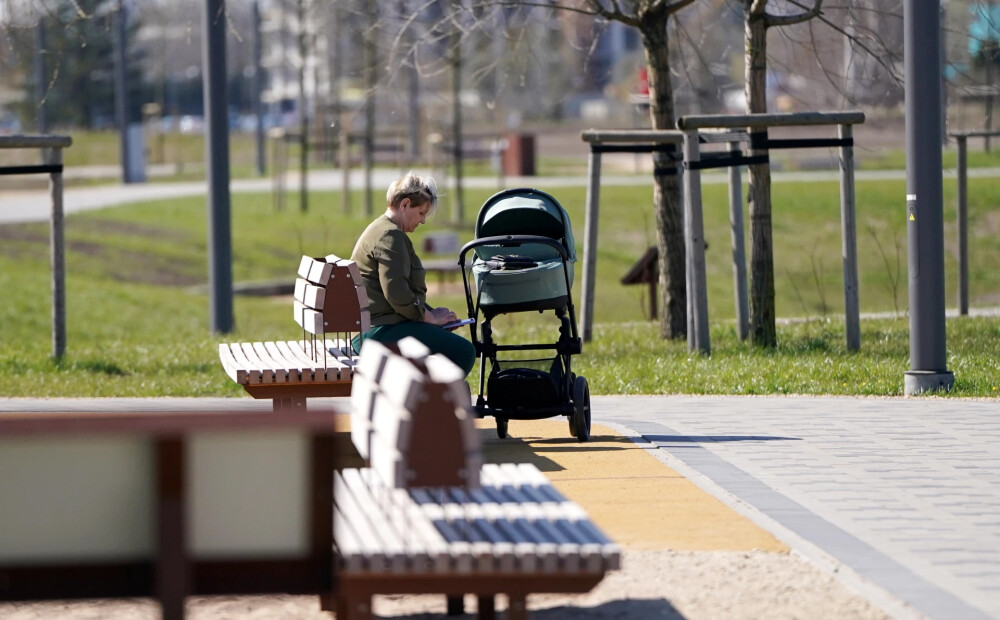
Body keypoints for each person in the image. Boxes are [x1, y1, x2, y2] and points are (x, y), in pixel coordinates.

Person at [350, 172, 476, 376]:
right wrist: (429, 318)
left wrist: (433, 316)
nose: (423, 221)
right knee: (464, 352)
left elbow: (399, 292)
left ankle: (426, 400)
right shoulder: (390, 235)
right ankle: (428, 403)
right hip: (379, 333)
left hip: (375, 328)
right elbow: (397, 293)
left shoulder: (381, 228)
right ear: (405, 204)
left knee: (450, 348)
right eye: (421, 213)